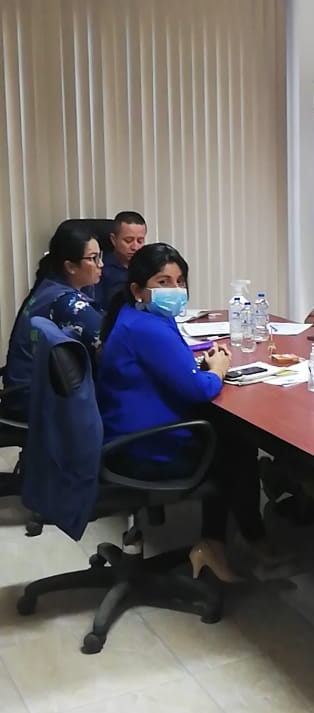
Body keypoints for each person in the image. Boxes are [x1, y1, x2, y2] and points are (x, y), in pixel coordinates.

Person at [96, 242, 285, 579]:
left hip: (129, 434)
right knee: (237, 446)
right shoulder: (146, 328)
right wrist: (217, 371)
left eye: (180, 281)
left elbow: (173, 370)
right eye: (163, 282)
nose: (175, 289)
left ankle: (218, 541)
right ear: (138, 290)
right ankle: (247, 538)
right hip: (143, 449)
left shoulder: (139, 317)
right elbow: (198, 390)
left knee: (228, 437)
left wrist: (200, 368)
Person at [2, 222, 104, 420]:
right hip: (34, 400)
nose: (101, 264)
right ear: (70, 266)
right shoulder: (65, 301)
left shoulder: (51, 285)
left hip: (28, 391)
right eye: (93, 258)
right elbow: (108, 340)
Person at [95, 211, 147, 312]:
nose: (135, 247)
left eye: (140, 241)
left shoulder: (148, 266)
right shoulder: (100, 269)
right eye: (128, 240)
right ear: (114, 239)